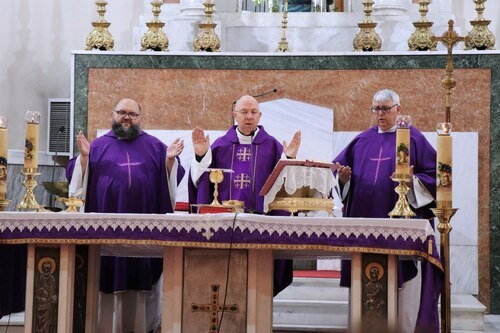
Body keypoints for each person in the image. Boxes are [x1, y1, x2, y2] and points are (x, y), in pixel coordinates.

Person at [66, 98, 185, 333]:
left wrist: (169, 162)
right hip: (105, 233)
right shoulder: (97, 146)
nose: (127, 117)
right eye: (122, 112)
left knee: (141, 281)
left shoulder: (154, 146)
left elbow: (171, 185)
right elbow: (76, 186)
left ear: (140, 118)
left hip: (144, 235)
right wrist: (84, 159)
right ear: (113, 115)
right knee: (106, 277)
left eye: (132, 113)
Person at [333, 89, 438, 333]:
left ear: (398, 109)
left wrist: (413, 182)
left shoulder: (413, 139)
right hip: (364, 223)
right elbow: (339, 177)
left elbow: (435, 176)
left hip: (402, 223)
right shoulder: (361, 141)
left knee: (404, 289)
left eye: (385, 109)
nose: (380, 114)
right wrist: (343, 180)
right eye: (376, 109)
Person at [188, 94, 301, 296]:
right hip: (226, 227)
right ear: (234, 115)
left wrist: (289, 158)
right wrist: (201, 156)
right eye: (244, 112)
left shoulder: (273, 146)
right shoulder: (220, 146)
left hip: (262, 227)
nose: (249, 116)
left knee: (260, 283)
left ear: (260, 115)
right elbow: (201, 182)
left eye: (253, 112)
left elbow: (284, 184)